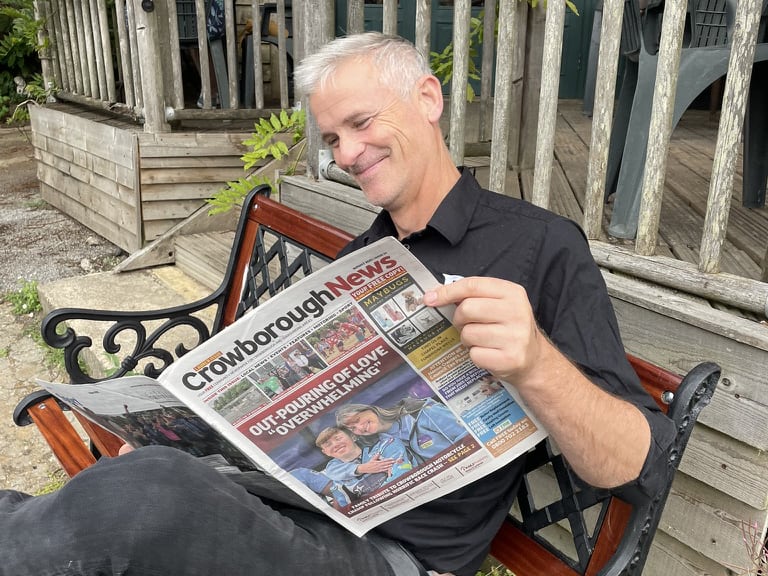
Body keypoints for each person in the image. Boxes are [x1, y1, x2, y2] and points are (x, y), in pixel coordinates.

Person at [0, 32, 674, 576]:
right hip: (287, 512)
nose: (347, 154)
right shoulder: (364, 257)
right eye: (330, 139)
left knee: (140, 502)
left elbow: (634, 469)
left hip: (390, 555)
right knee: (135, 485)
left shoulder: (538, 245)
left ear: (428, 98)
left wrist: (536, 364)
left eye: (360, 123)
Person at [336, 398, 468, 463]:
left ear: (370, 409)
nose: (359, 428)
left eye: (357, 419)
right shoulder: (379, 447)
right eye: (353, 428)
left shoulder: (423, 412)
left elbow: (467, 436)